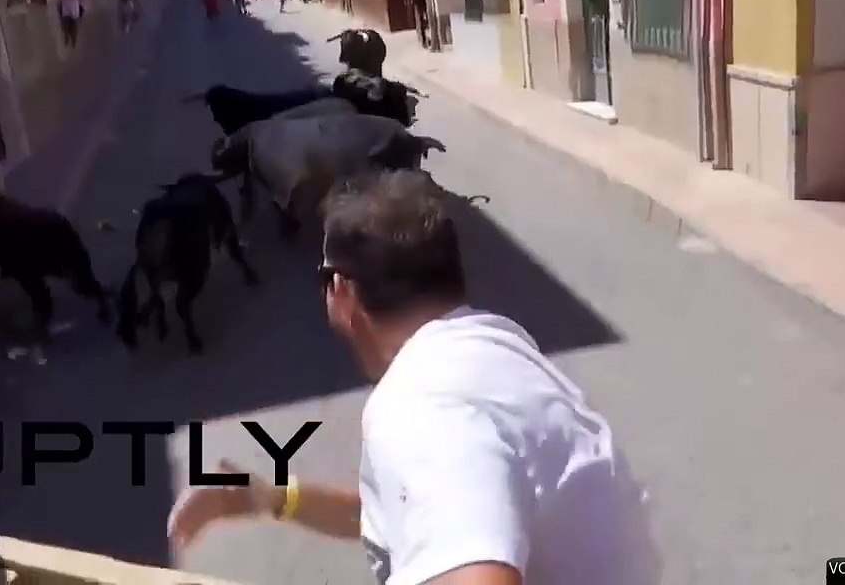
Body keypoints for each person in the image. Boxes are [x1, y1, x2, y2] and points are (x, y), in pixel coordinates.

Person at [167, 171, 659, 585]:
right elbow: (415, 515)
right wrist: (268, 497)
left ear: (340, 291)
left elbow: (474, 562)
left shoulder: (425, 404)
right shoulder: (489, 348)